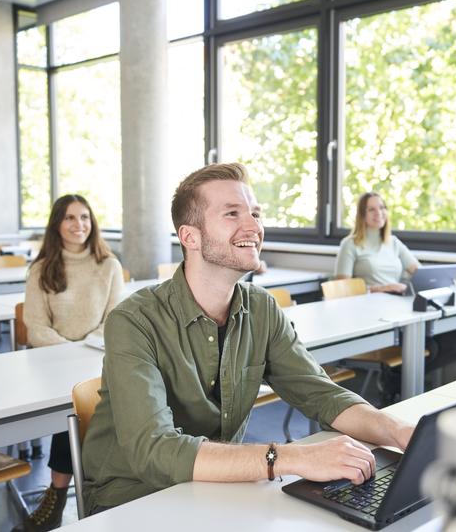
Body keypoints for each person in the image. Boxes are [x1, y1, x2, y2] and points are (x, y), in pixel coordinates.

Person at [80, 163, 414, 515]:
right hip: (131, 500)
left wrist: (401, 432)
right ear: (190, 237)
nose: (254, 226)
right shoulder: (134, 320)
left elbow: (322, 395)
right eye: (232, 214)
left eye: (255, 213)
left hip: (216, 487)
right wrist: (291, 457)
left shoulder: (261, 308)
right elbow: (155, 451)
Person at [13, 194, 124, 532]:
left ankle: (106, 489)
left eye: (85, 218)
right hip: (53, 363)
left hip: (98, 357)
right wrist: (70, 350)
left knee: (111, 403)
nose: (79, 225)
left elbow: (114, 320)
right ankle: (58, 495)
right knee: (72, 406)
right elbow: (35, 326)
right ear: (57, 225)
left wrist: (86, 347)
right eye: (70, 218)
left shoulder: (109, 265)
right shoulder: (42, 268)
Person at [334, 191, 419, 294]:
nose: (378, 212)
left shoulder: (394, 242)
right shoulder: (350, 244)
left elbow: (420, 273)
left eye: (382, 208)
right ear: (362, 215)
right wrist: (379, 289)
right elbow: (342, 288)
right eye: (371, 209)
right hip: (365, 304)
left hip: (395, 302)